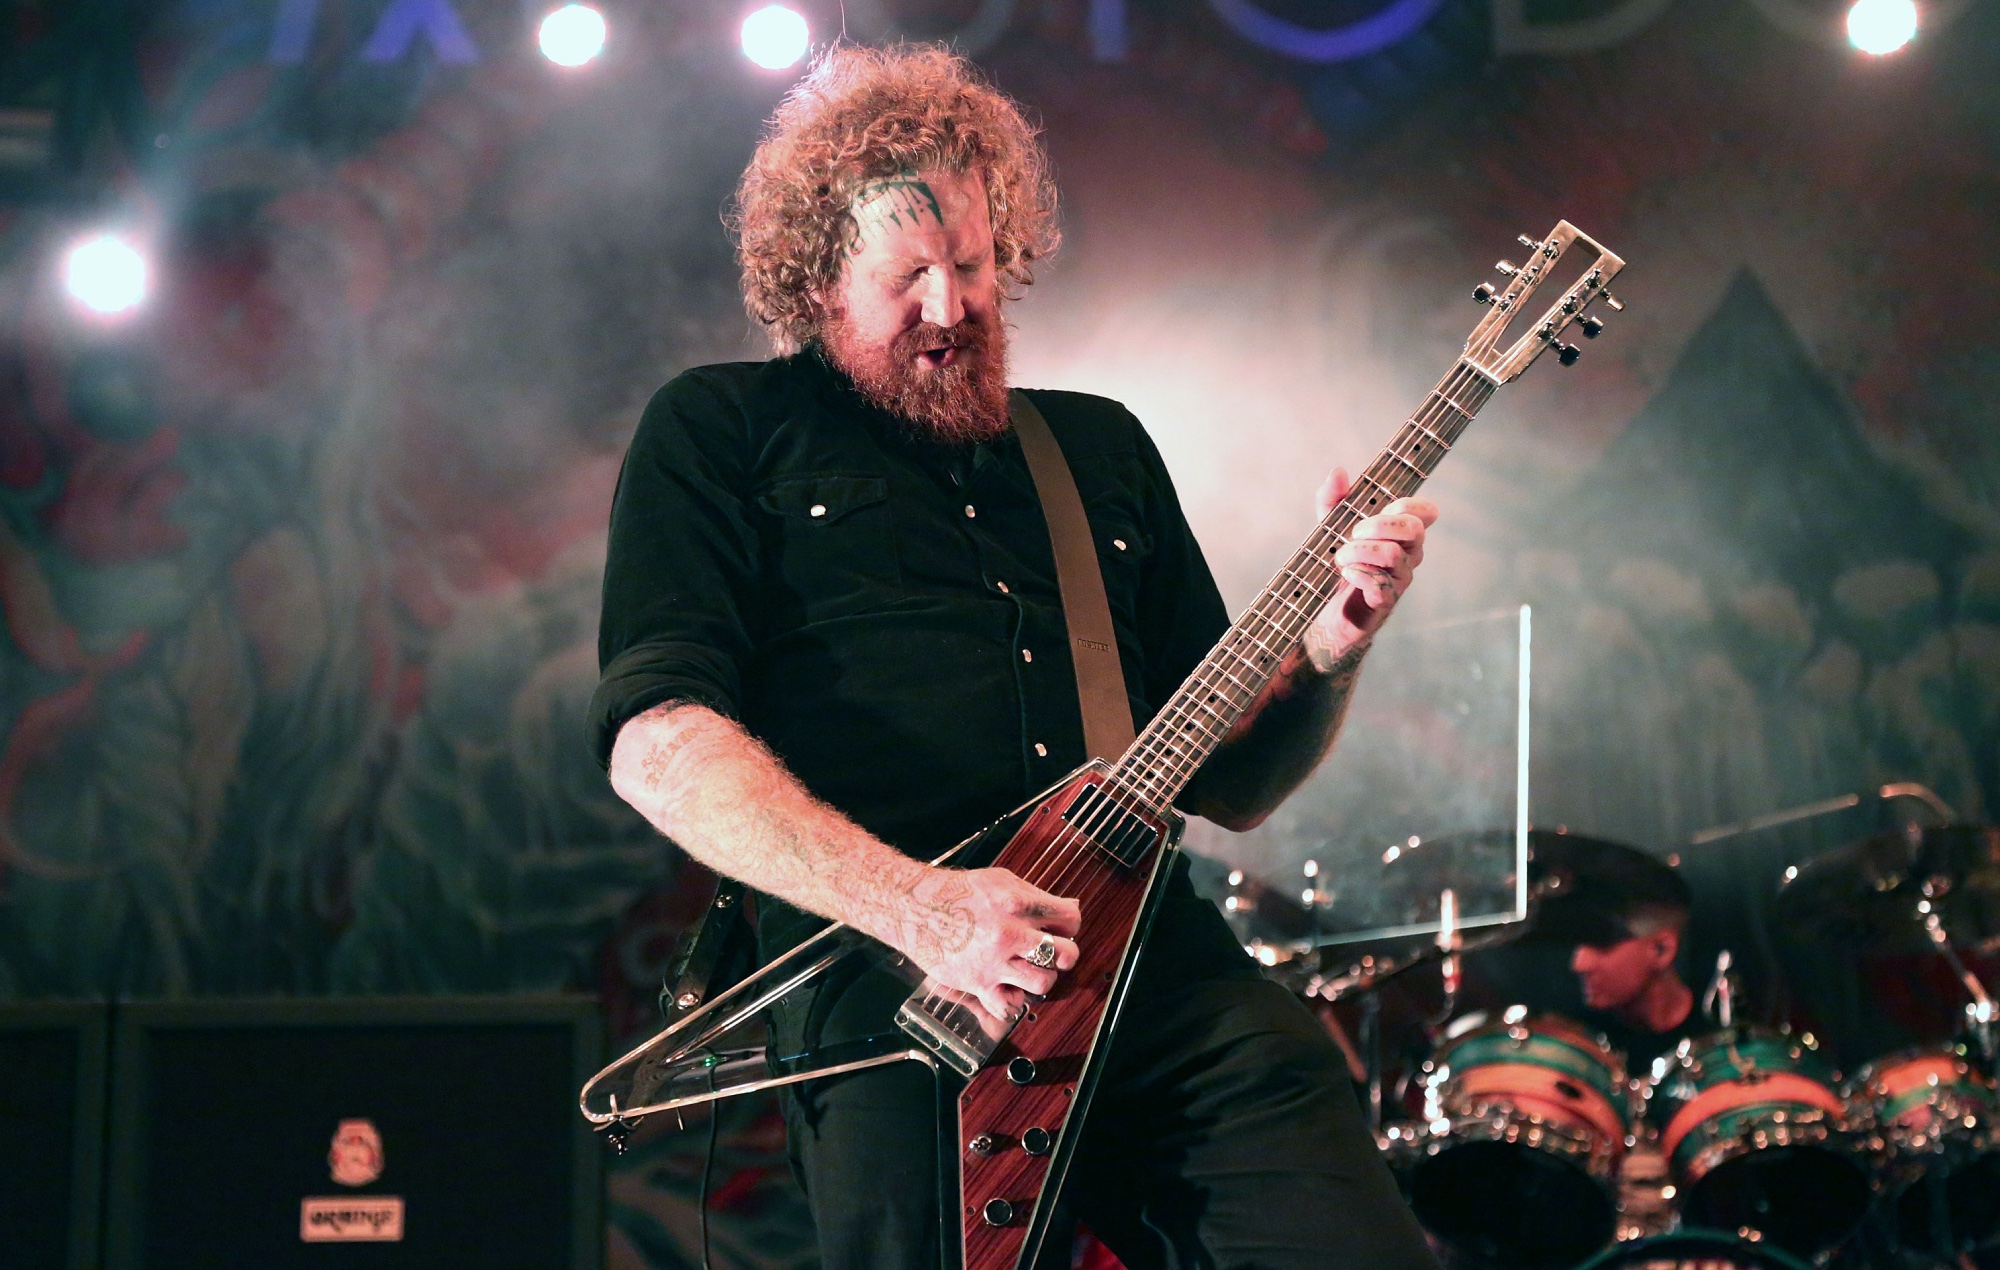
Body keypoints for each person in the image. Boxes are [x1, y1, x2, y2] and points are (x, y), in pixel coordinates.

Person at [590, 44, 1439, 1270]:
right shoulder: (719, 431)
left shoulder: (1094, 449)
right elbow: (658, 742)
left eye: (974, 265)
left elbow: (1233, 782)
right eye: (907, 276)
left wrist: (1329, 649)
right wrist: (923, 908)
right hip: (896, 998)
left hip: (1153, 973)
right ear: (817, 281)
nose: (952, 306)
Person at [1570, 885, 1699, 1079]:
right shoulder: (1577, 1042)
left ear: (1661, 949)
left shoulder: (1725, 1038)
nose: (1579, 964)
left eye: (1601, 945)